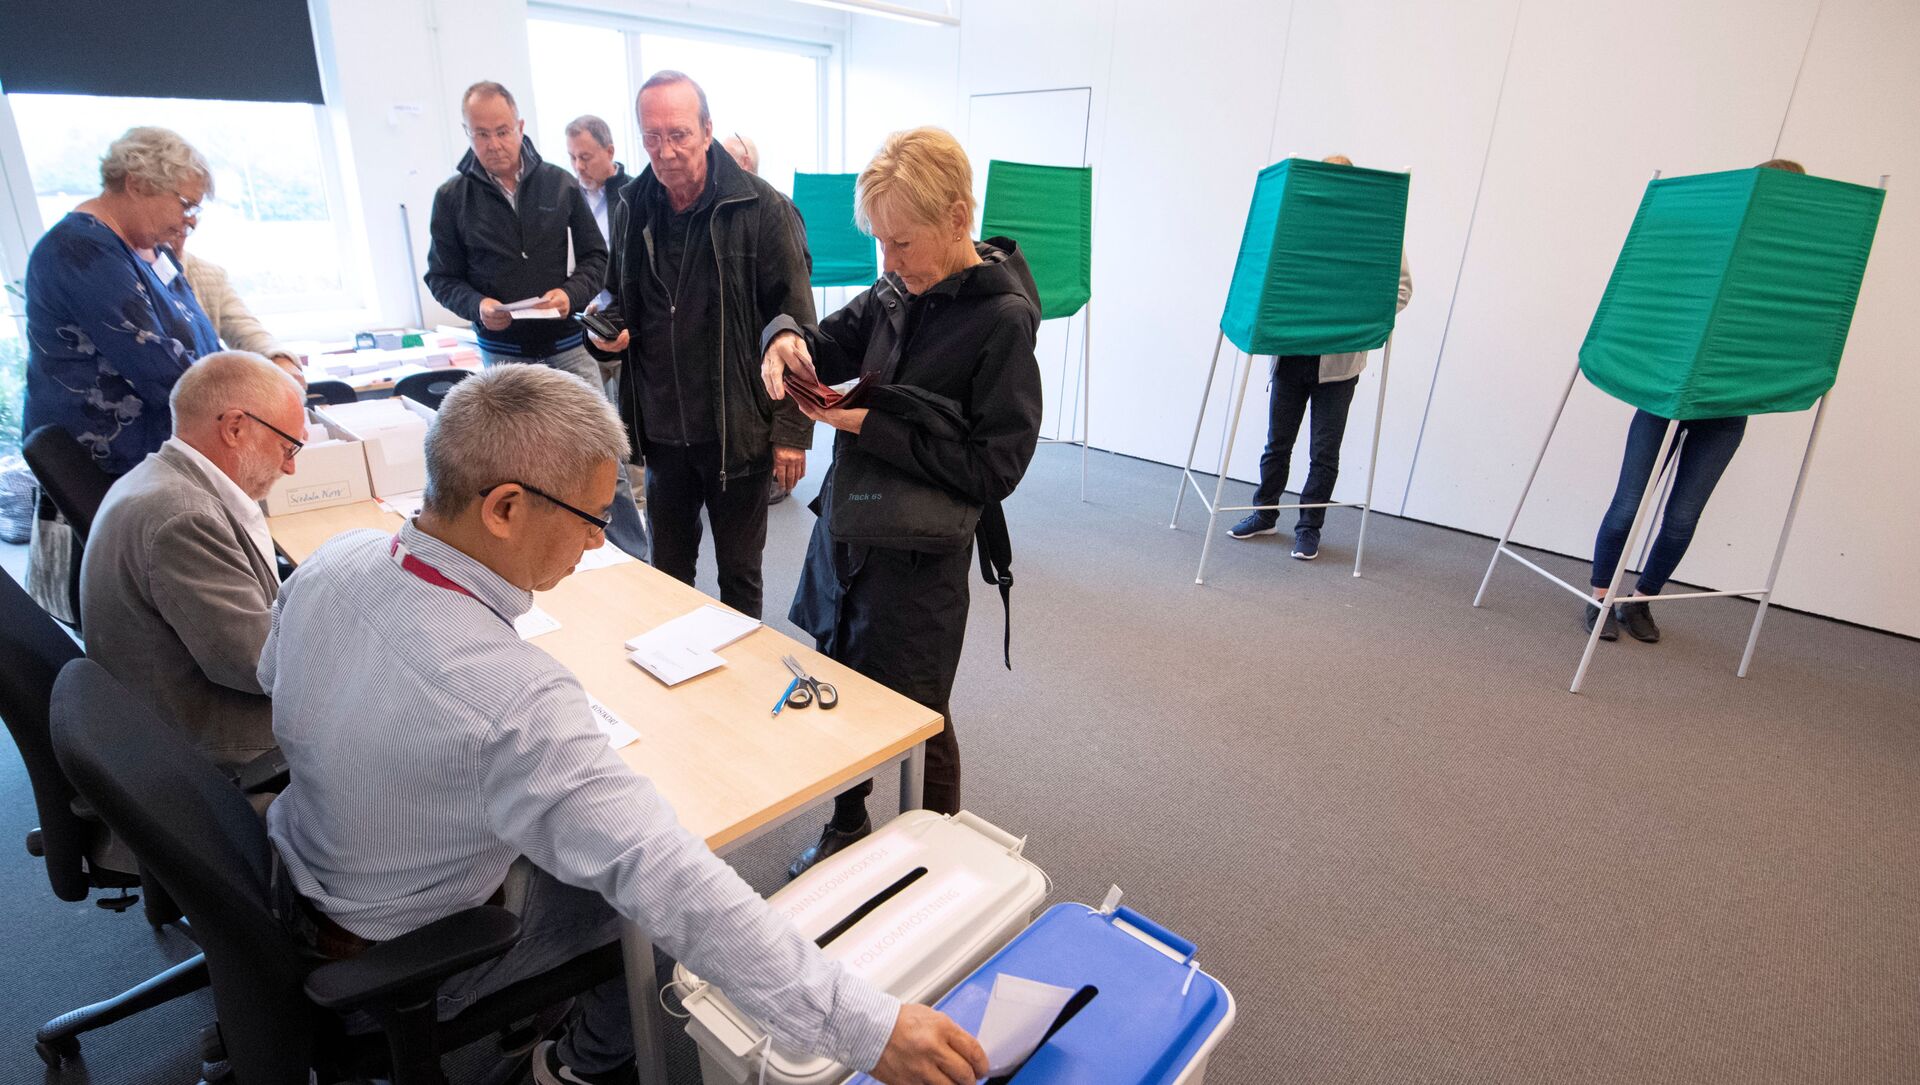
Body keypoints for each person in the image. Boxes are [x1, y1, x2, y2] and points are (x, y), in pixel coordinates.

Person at [259, 364, 987, 1085]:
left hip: (301, 879)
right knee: (653, 918)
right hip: (407, 956)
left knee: (596, 845)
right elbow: (673, 882)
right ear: (505, 508)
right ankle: (575, 1066)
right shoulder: (512, 698)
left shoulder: (334, 560)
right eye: (591, 519)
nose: (595, 543)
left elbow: (274, 679)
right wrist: (870, 1027)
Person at [761, 127, 1042, 876]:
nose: (887, 261)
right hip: (853, 527)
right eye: (880, 242)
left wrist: (871, 428)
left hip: (921, 556)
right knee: (841, 680)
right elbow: (825, 344)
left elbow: (995, 467)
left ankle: (940, 855)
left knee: (921, 712)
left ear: (957, 219)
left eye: (902, 242)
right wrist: (783, 338)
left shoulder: (1001, 320)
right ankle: (848, 821)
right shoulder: (895, 290)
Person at [592, 72, 813, 618]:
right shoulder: (633, 206)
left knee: (739, 577)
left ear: (708, 130)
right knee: (668, 574)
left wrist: (791, 433)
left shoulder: (762, 207)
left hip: (736, 430)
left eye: (679, 135)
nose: (665, 151)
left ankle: (740, 672)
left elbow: (798, 326)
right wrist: (601, 332)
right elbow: (617, 297)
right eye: (652, 137)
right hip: (662, 429)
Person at [1581, 156, 1810, 643]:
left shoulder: (1790, 270)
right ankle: (1600, 596)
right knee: (1628, 505)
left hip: (1726, 407)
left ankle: (1641, 600)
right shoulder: (1709, 242)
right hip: (1665, 395)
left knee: (1683, 517)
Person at [425, 81, 648, 560]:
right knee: (519, 471)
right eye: (481, 134)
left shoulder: (558, 183)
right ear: (467, 133)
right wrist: (477, 305)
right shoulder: (453, 198)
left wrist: (570, 294)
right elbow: (441, 277)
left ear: (520, 126)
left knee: (604, 459)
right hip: (504, 357)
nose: (493, 144)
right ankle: (539, 563)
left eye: (502, 131)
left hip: (567, 347)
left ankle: (634, 559)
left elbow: (597, 258)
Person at [80, 350, 303, 769]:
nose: (290, 468)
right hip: (201, 740)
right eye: (287, 447)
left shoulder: (158, 477)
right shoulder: (182, 517)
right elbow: (261, 664)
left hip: (168, 701)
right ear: (235, 428)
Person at [1227, 155, 1413, 560]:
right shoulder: (1297, 224)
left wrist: (1352, 320)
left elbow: (1400, 290)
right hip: (1292, 354)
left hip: (1339, 366)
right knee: (1277, 444)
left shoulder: (1372, 231)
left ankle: (1309, 528)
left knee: (1324, 453)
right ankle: (1264, 513)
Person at [22, 126, 221, 476]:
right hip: (106, 464)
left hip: (158, 457)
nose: (190, 220)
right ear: (137, 184)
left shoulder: (152, 250)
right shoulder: (80, 249)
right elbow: (156, 365)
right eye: (186, 204)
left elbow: (199, 336)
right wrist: (242, 403)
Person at [174, 237, 305, 382]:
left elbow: (243, 327)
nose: (182, 232)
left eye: (188, 227)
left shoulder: (210, 274)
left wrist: (277, 358)